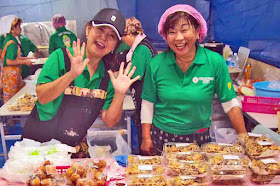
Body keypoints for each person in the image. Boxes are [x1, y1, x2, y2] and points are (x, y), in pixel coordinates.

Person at [22, 8, 140, 149]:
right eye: (100, 30)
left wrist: (120, 93)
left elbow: (110, 121)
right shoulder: (62, 57)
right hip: (37, 145)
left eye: (112, 36)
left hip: (72, 147)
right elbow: (42, 97)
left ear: (115, 45)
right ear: (88, 29)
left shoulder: (107, 76)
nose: (104, 37)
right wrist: (71, 74)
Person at [140, 4, 247, 155]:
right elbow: (148, 104)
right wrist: (146, 137)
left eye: (184, 30)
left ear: (197, 32)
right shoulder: (156, 64)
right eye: (172, 32)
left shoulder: (215, 62)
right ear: (165, 37)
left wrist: (244, 139)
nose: (179, 38)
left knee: (199, 176)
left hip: (200, 139)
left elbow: (230, 104)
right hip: (162, 139)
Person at [121, 17, 157, 154]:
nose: (123, 41)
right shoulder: (145, 45)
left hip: (147, 103)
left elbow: (133, 74)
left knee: (147, 145)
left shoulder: (141, 49)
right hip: (146, 102)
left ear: (130, 34)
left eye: (124, 36)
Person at [0, 15, 33, 103]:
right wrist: (25, 62)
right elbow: (9, 61)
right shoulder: (12, 43)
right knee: (11, 101)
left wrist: (27, 58)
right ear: (12, 29)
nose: (20, 29)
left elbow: (16, 58)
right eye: (18, 27)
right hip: (11, 77)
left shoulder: (10, 39)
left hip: (13, 76)